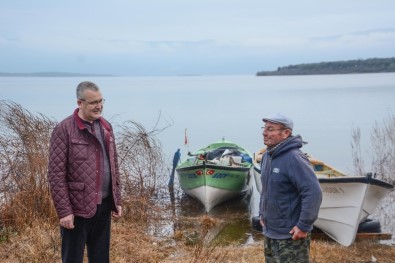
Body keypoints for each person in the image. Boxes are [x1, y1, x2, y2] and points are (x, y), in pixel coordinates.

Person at [48, 81, 122, 263]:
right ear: (80, 103)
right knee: (72, 259)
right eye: (93, 102)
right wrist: (64, 211)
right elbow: (55, 174)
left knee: (101, 259)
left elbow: (114, 165)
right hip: (77, 209)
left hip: (103, 207)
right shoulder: (64, 129)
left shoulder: (106, 127)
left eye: (101, 100)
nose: (99, 106)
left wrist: (116, 199)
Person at [259, 113, 322, 263]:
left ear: (286, 133)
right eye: (264, 128)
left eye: (270, 129)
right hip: (271, 232)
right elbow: (267, 189)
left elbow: (313, 193)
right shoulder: (268, 156)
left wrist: (303, 226)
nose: (264, 132)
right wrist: (262, 213)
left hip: (290, 235)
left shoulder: (294, 158)